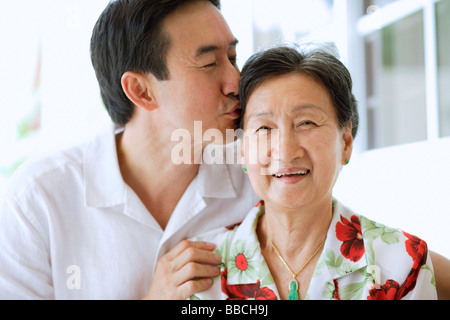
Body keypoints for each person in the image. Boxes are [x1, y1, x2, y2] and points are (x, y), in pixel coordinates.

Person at [0, 0, 449, 300]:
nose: (237, 81)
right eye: (210, 62)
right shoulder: (36, 200)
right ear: (141, 90)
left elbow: (361, 244)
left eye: (233, 56)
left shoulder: (260, 164)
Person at [188, 46, 437, 300]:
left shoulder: (403, 264)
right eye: (264, 127)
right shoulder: (199, 272)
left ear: (345, 142)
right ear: (243, 151)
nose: (286, 151)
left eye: (306, 123)